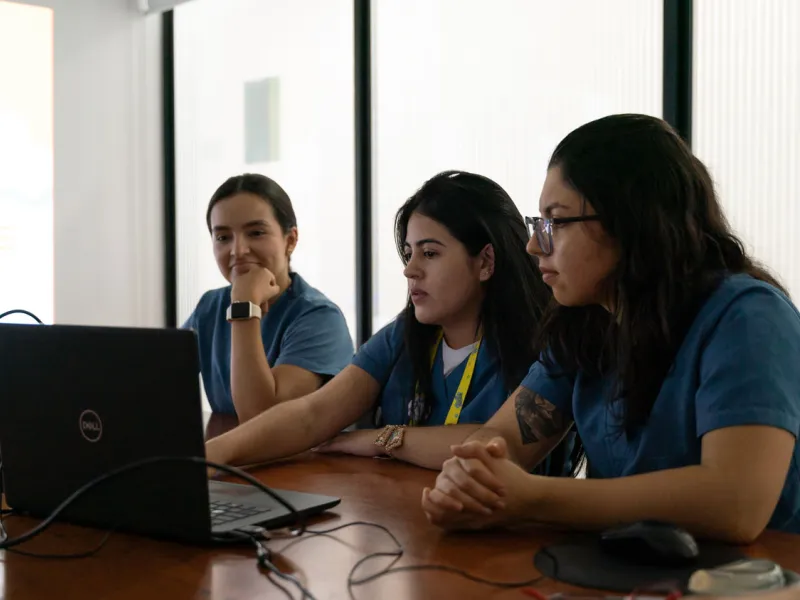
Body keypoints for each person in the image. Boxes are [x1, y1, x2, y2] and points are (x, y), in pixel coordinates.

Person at [421, 114, 800, 542]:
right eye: (537, 223)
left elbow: (735, 503)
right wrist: (472, 475)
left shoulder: (747, 317)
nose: (533, 245)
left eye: (556, 222)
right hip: (629, 572)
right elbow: (505, 438)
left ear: (631, 222)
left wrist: (533, 497)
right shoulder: (587, 322)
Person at [205, 170, 569, 472]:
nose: (410, 270)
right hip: (405, 523)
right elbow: (312, 414)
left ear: (485, 262)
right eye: (409, 254)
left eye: (430, 253)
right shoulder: (403, 334)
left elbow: (491, 445)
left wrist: (382, 439)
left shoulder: (545, 344)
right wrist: (207, 459)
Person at [183, 173, 354, 422]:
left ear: (290, 240)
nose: (238, 250)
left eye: (256, 233)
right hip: (230, 455)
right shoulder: (210, 306)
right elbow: (154, 384)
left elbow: (260, 418)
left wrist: (244, 306)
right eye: (222, 237)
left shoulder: (320, 318)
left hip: (302, 461)